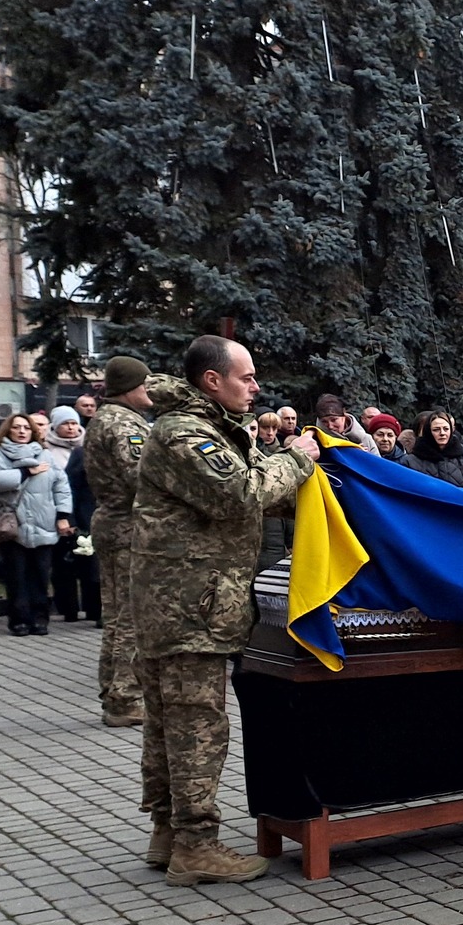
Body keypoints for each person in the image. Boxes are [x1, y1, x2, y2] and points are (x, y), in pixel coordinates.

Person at [131, 336, 317, 883]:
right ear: (212, 380)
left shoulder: (207, 426)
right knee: (196, 725)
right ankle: (196, 845)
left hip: (187, 601)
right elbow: (238, 493)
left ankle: (169, 832)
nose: (256, 387)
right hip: (189, 605)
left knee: (170, 722)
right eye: (247, 377)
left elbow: (263, 492)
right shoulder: (185, 433)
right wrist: (297, 460)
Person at [84, 357, 153, 726]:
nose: (150, 390)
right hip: (128, 526)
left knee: (116, 616)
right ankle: (125, 699)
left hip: (112, 523)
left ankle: (114, 693)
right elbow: (141, 477)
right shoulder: (125, 424)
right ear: (130, 387)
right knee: (130, 617)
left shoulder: (103, 419)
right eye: (145, 383)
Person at [0, 411, 72, 635]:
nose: (22, 432)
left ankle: (40, 619)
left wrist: (63, 516)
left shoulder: (46, 455)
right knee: (16, 576)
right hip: (13, 526)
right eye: (17, 427)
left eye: (26, 428)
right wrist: (24, 472)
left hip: (44, 524)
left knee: (41, 576)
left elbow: (61, 486)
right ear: (7, 430)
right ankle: (19, 620)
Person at [45, 406, 99, 624]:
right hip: (81, 516)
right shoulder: (79, 454)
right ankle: (70, 610)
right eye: (66, 423)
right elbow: (71, 488)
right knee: (70, 568)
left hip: (103, 517)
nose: (71, 427)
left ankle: (97, 612)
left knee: (96, 571)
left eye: (74, 423)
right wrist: (69, 518)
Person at [404, 412, 463, 490]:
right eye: (436, 429)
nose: (442, 433)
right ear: (428, 432)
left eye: (446, 429)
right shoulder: (411, 462)